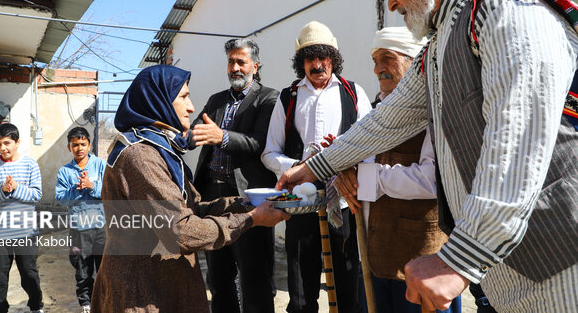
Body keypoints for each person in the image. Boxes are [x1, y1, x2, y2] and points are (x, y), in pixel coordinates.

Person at [277, 0, 578, 312]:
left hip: (559, 257)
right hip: (508, 269)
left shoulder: (506, 9)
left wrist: (459, 260)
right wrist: (313, 168)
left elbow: (517, 142)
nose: (393, 4)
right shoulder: (436, 51)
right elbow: (385, 123)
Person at [91, 65, 289, 313]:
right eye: (183, 97)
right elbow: (181, 231)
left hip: (162, 284)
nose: (191, 107)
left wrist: (247, 202)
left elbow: (190, 209)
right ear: (158, 100)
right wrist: (249, 219)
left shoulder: (159, 148)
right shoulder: (140, 156)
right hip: (141, 292)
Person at [334, 27, 460, 313]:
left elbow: (433, 180)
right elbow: (356, 161)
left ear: (414, 61)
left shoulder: (435, 110)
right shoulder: (374, 111)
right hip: (374, 257)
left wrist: (366, 179)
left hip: (420, 263)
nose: (378, 68)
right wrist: (345, 176)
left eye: (387, 58)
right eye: (375, 61)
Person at [262, 21, 372, 313]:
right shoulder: (288, 98)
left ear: (333, 59)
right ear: (302, 63)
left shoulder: (354, 93)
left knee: (348, 284)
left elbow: (372, 145)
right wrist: (300, 167)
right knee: (299, 292)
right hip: (301, 202)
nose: (317, 64)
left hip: (344, 204)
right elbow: (269, 152)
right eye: (310, 58)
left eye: (323, 57)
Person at [190, 38, 279, 313]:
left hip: (248, 198)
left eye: (241, 62)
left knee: (254, 276)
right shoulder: (216, 100)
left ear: (255, 65)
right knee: (218, 277)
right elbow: (194, 132)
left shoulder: (269, 98)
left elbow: (260, 143)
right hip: (212, 198)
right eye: (231, 62)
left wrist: (222, 137)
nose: (236, 68)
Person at [0, 122, 44, 313]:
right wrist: (2, 190)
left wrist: (16, 188)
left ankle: (36, 307)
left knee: (29, 273)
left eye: (7, 143)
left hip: (26, 231)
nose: (3, 148)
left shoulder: (30, 164)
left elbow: (36, 195)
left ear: (17, 142)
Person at [56, 127, 107, 313]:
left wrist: (91, 185)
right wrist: (77, 189)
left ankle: (104, 299)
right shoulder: (65, 171)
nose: (79, 148)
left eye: (83, 144)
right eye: (75, 145)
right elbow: (61, 198)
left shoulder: (100, 165)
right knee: (82, 266)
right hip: (79, 229)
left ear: (89, 145)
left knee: (104, 267)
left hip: (101, 227)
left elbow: (110, 192)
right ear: (69, 147)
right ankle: (86, 302)